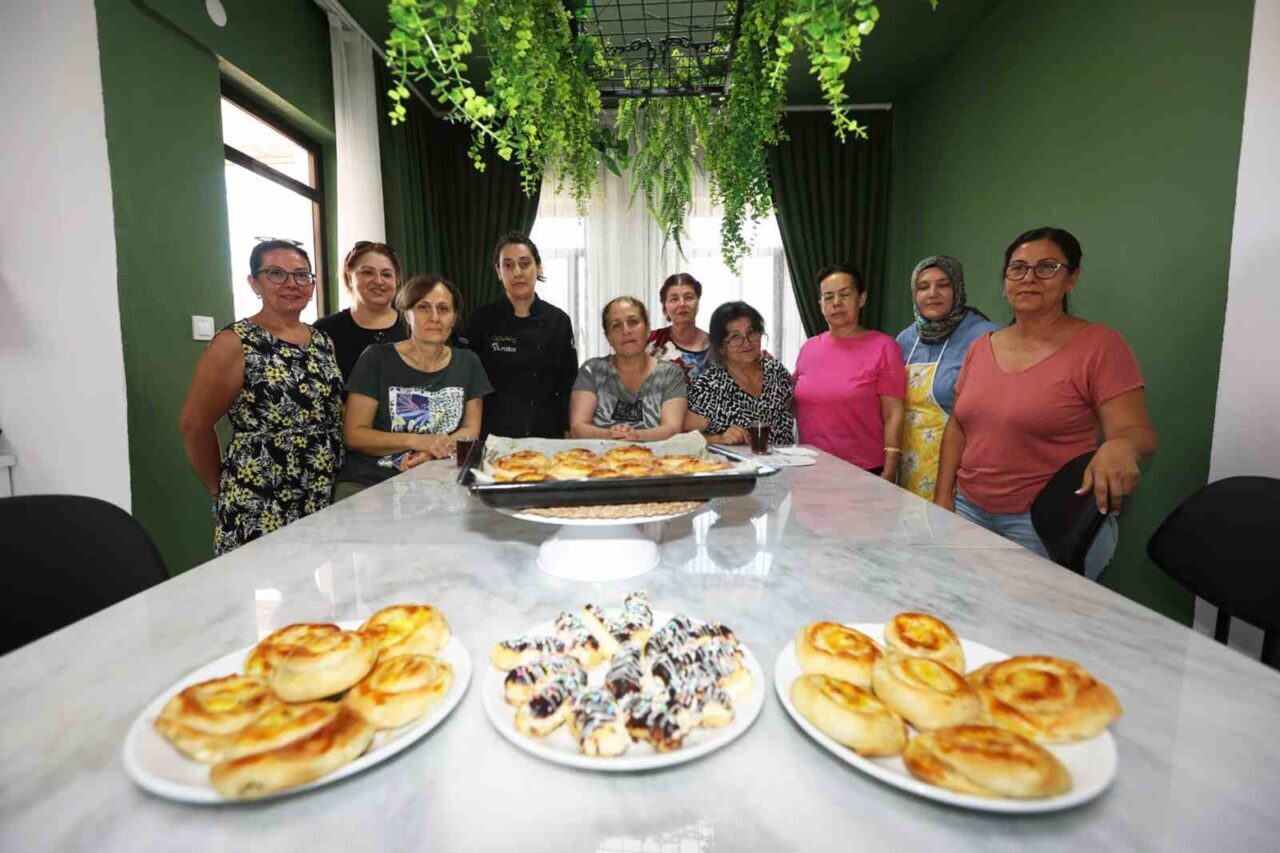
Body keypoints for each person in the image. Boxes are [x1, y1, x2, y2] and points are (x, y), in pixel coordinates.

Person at [934, 227, 1158, 580]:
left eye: (1047, 267)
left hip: (1041, 525)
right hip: (968, 510)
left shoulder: (1099, 345)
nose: (1029, 278)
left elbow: (1137, 433)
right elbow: (958, 426)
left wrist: (1120, 446)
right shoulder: (982, 346)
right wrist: (943, 496)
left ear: (1072, 279)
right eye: (1018, 268)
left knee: (1025, 615)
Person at [179, 239, 343, 555]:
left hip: (321, 489)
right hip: (259, 494)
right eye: (276, 274)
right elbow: (194, 425)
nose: (291, 284)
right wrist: (218, 488)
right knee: (257, 582)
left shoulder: (323, 341)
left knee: (313, 579)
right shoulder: (234, 342)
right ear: (254, 282)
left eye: (301, 275)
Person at [335, 274, 492, 499]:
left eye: (443, 309)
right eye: (423, 307)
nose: (434, 317)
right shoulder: (376, 359)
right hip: (371, 483)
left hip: (438, 482)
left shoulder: (468, 362)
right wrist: (418, 441)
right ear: (406, 313)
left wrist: (430, 452)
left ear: (454, 317)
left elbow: (470, 430)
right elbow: (355, 435)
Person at [894, 256, 1000, 499]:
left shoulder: (985, 337)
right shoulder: (905, 340)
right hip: (908, 465)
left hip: (958, 471)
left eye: (943, 285)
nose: (932, 293)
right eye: (923, 287)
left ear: (958, 289)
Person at [456, 232, 577, 439]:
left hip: (546, 434)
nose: (517, 272)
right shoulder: (481, 320)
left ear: (538, 267)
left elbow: (568, 384)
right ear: (498, 271)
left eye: (525, 263)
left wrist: (568, 433)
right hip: (493, 436)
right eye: (508, 265)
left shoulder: (559, 321)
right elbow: (466, 383)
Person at [793, 263, 906, 479]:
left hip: (864, 470)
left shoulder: (884, 347)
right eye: (828, 297)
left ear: (861, 299)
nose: (836, 303)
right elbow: (792, 399)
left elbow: (893, 412)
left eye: (845, 294)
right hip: (810, 470)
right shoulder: (809, 348)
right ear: (820, 305)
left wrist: (891, 466)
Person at [570, 296, 688, 441]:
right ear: (608, 337)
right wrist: (610, 435)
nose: (626, 331)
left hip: (655, 455)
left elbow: (672, 430)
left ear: (647, 329)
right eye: (616, 325)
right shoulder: (592, 371)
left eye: (633, 322)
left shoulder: (670, 374)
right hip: (598, 455)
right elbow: (577, 428)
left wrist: (637, 436)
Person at [685, 301, 796, 446]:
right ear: (721, 346)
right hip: (734, 461)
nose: (747, 342)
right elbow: (682, 438)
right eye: (735, 337)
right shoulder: (707, 387)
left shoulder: (776, 371)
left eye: (751, 333)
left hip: (787, 459)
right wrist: (718, 439)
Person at [313, 241, 409, 382]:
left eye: (387, 274)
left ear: (397, 280)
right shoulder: (325, 330)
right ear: (349, 278)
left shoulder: (415, 326)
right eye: (367, 273)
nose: (378, 281)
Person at [646, 272, 712, 380]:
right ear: (665, 307)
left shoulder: (718, 347)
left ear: (698, 302)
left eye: (688, 298)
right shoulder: (649, 342)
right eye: (674, 299)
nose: (682, 304)